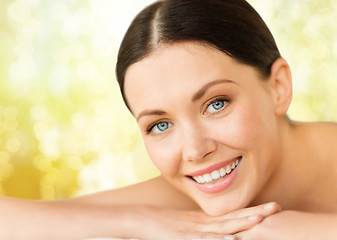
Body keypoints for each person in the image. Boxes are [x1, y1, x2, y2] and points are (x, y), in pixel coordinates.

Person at [0, 0, 336, 239]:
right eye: (159, 125)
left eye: (216, 104)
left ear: (278, 87)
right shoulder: (190, 196)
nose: (194, 150)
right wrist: (137, 221)